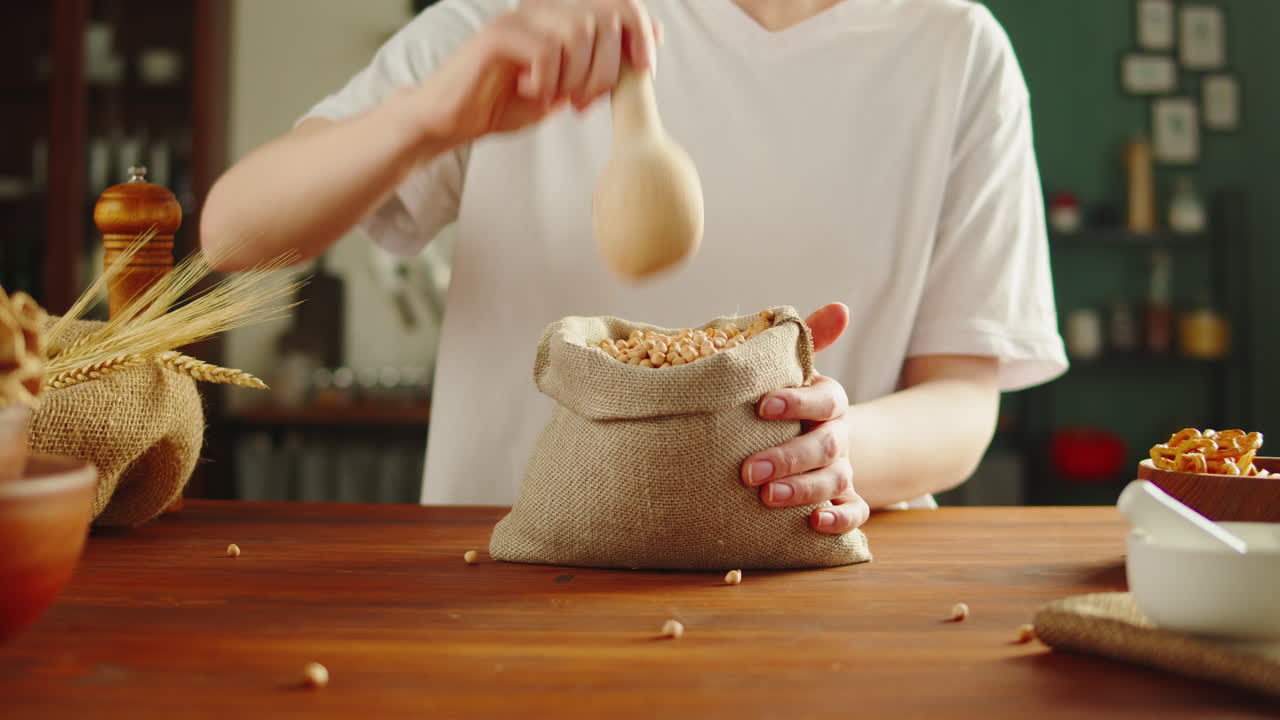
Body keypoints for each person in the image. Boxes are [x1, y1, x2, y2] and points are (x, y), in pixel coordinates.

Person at [201, 0, 1067, 533]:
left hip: (793, 586)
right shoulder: (520, 24)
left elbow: (962, 400)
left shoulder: (957, 49)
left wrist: (841, 450)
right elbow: (233, 233)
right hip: (499, 584)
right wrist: (426, 118)